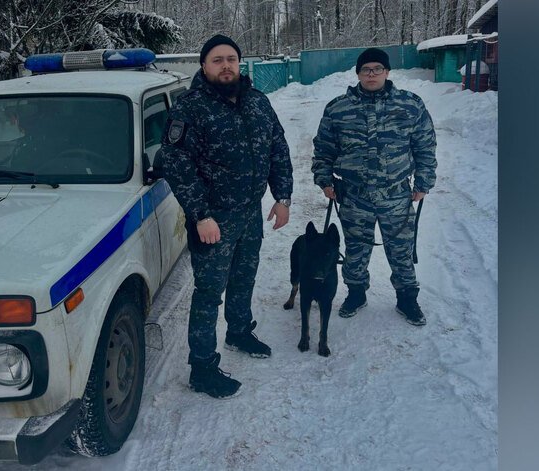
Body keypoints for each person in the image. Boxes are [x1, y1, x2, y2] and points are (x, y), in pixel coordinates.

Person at [158, 34, 293, 399]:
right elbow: (177, 163)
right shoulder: (190, 108)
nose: (226, 65)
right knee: (208, 292)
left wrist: (282, 196)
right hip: (213, 219)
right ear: (204, 66)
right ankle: (202, 368)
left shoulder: (258, 102)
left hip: (249, 213)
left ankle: (239, 331)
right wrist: (200, 215)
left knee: (244, 276)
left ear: (239, 62)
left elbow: (278, 148)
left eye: (231, 58)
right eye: (217, 60)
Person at [311, 47, 437, 327]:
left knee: (401, 249)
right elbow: (324, 148)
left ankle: (407, 298)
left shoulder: (410, 105)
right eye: (366, 69)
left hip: (397, 195)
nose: (372, 74)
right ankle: (356, 294)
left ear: (387, 72)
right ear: (358, 73)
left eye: (377, 68)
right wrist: (324, 179)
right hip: (354, 195)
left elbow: (425, 145)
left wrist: (424, 181)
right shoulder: (338, 108)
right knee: (356, 249)